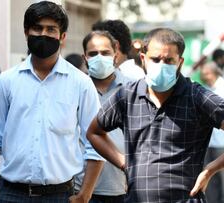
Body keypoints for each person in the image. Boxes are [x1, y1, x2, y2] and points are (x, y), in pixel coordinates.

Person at [0, 1, 104, 202]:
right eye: (37, 28)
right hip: (11, 194)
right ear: (27, 33)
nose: (43, 34)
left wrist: (85, 195)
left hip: (60, 195)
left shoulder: (80, 83)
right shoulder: (7, 81)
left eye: (51, 29)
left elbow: (96, 139)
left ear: (62, 37)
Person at [87, 28, 224, 202]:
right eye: (155, 59)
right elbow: (94, 132)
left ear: (179, 62)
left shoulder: (197, 97)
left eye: (169, 61)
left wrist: (210, 170)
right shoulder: (127, 96)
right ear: (143, 59)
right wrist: (123, 163)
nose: (161, 65)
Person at [75, 30, 131, 203]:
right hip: (80, 189)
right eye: (93, 54)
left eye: (105, 53)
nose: (99, 58)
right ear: (85, 58)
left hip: (123, 187)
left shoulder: (133, 89)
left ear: (115, 54)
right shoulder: (76, 88)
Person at [200, 62, 224, 203]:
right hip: (208, 142)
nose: (205, 76)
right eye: (203, 74)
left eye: (207, 73)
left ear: (214, 73)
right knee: (209, 177)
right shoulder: (204, 89)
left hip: (222, 142)